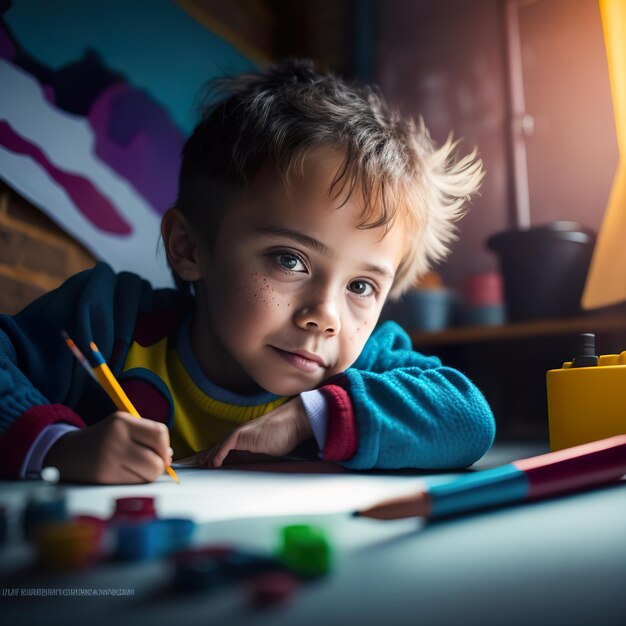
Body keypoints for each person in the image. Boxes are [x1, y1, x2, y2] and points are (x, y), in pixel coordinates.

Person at [0, 59, 495, 483]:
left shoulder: (363, 367)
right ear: (188, 247)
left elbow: (469, 418)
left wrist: (312, 418)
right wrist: (57, 448)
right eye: (290, 260)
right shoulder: (105, 319)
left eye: (361, 286)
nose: (325, 317)